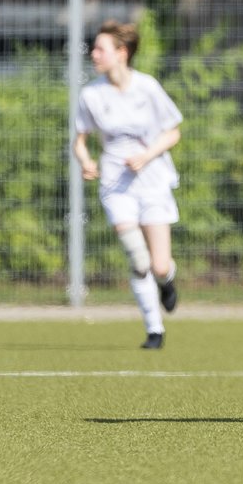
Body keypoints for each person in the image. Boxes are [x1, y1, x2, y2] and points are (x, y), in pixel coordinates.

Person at [73, 20, 183, 349]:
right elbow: (80, 140)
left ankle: (167, 281)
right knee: (138, 258)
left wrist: (147, 155)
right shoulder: (91, 94)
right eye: (93, 49)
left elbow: (173, 130)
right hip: (116, 183)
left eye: (100, 49)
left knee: (159, 265)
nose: (93, 54)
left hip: (153, 179)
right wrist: (87, 162)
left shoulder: (147, 87)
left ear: (121, 53)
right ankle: (154, 330)